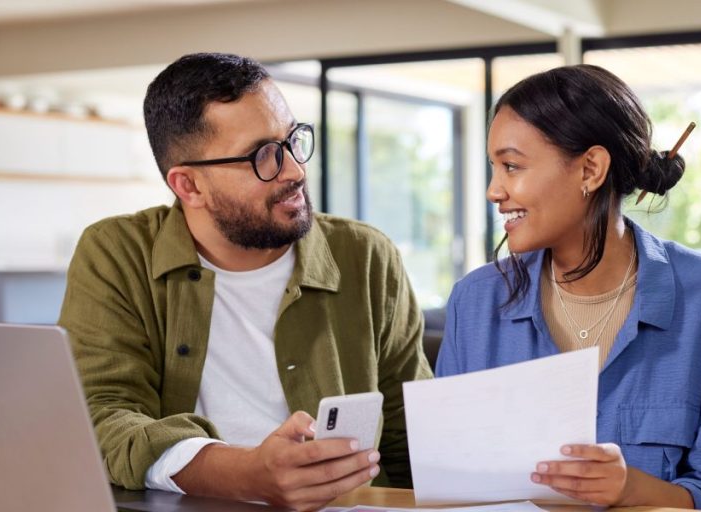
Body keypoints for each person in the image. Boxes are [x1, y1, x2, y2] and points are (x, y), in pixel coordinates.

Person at [58, 52, 432, 511]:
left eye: (293, 141)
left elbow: (412, 430)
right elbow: (102, 415)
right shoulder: (117, 252)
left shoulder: (366, 256)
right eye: (264, 156)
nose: (295, 170)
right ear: (188, 185)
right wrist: (245, 474)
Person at [435, 64, 701, 511]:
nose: (494, 190)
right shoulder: (473, 304)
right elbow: (447, 484)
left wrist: (630, 489)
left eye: (511, 166)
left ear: (590, 168)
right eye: (494, 168)